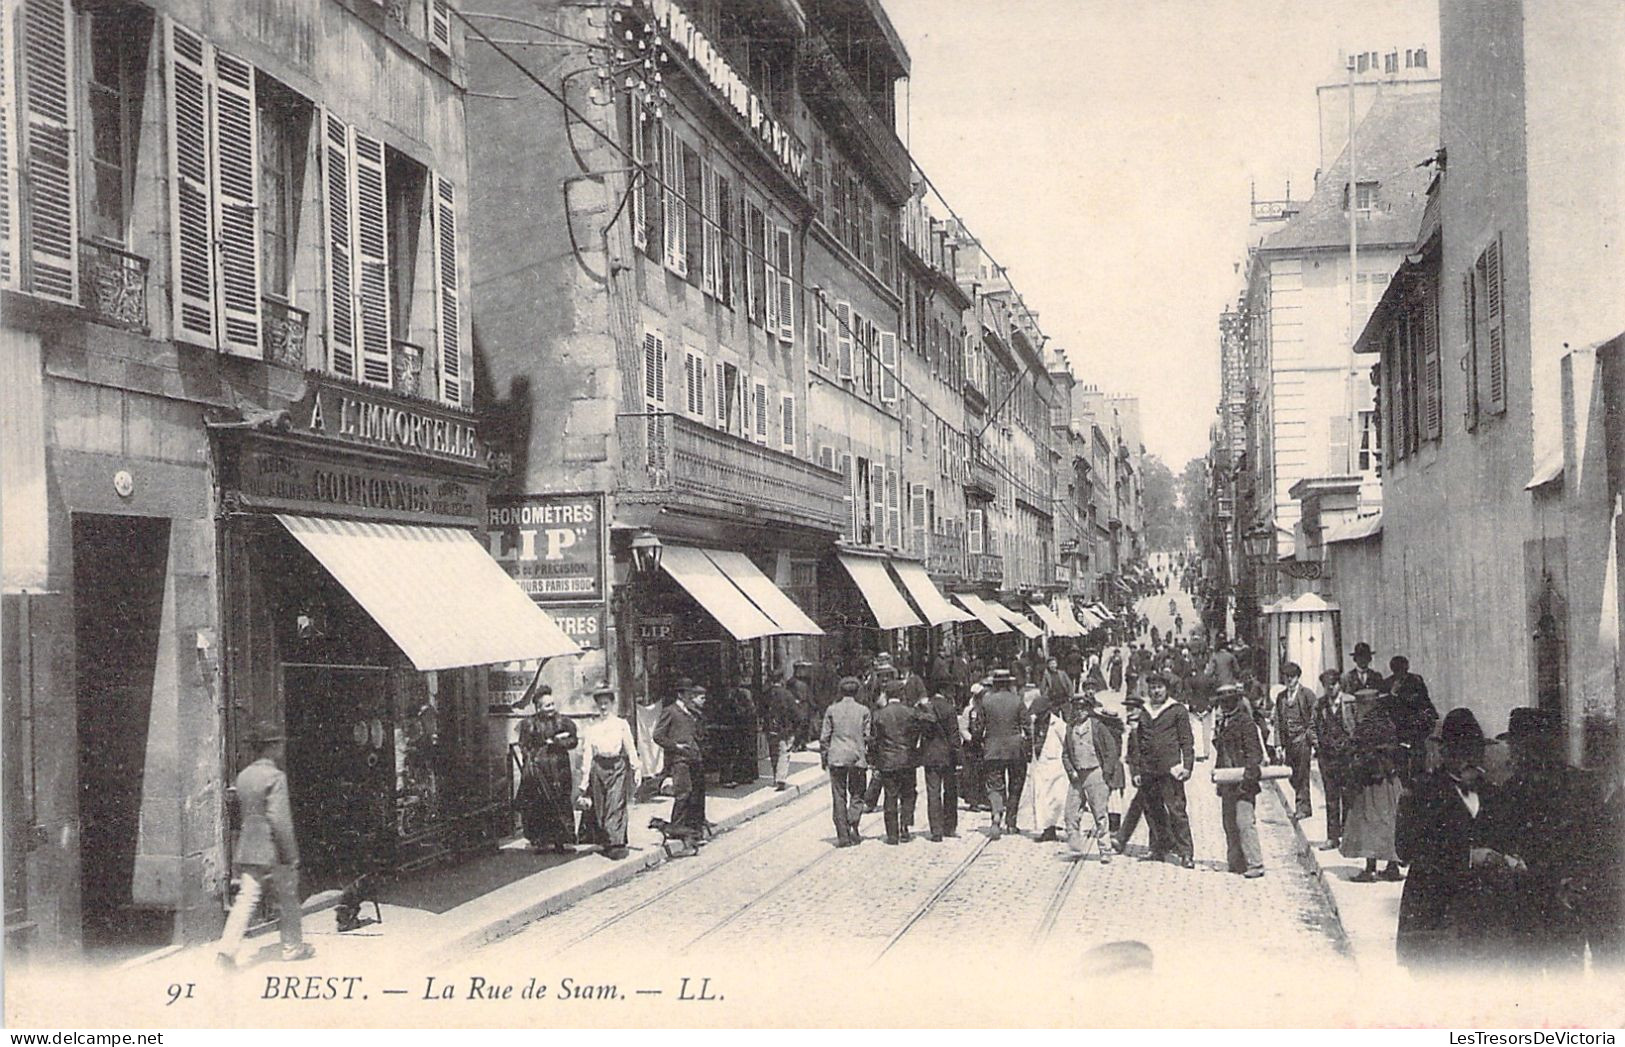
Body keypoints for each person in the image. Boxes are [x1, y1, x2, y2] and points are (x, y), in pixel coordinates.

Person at [1479, 707, 1592, 971]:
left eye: (1516, 745)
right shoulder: (1577, 783)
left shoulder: (1511, 790)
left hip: (1531, 900)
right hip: (1562, 898)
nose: (1513, 752)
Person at [1395, 708, 1500, 969]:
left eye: (1475, 751)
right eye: (1461, 751)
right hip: (1433, 914)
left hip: (1482, 920)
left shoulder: (1495, 794)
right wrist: (1466, 857)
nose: (1470, 758)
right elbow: (1406, 850)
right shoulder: (1421, 793)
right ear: (1445, 753)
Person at [217, 721, 314, 967]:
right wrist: (291, 854)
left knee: (246, 898)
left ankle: (226, 951)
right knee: (288, 897)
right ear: (271, 748)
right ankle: (292, 947)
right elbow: (280, 820)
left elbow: (241, 814)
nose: (281, 748)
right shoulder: (275, 777)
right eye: (278, 744)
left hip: (249, 845)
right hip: (273, 846)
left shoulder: (244, 776)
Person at [1114, 674, 1195, 866]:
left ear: (1166, 689)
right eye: (1152, 688)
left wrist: (1188, 766)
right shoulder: (1144, 712)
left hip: (1171, 769)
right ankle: (1157, 849)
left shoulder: (1177, 710)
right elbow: (1138, 744)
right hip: (1149, 770)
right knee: (1153, 810)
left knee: (1176, 811)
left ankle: (1186, 853)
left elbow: (1186, 740)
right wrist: (1137, 771)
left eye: (1159, 688)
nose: (1156, 692)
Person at [1340, 689, 1405, 882]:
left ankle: (1370, 869)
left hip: (1372, 782)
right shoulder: (1387, 721)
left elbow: (1360, 751)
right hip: (1390, 781)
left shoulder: (1367, 725)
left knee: (1369, 821)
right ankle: (1392, 867)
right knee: (1390, 820)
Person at [576, 686, 643, 860]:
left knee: (616, 804)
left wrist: (636, 769)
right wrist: (584, 781)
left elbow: (630, 747)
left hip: (617, 767)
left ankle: (617, 844)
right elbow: (588, 754)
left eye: (606, 703)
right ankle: (607, 841)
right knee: (600, 807)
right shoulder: (592, 727)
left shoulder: (621, 724)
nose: (603, 707)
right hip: (598, 768)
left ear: (612, 704)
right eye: (600, 704)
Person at [1061, 690, 1123, 862]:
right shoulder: (1070, 728)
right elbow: (1065, 753)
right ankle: (1075, 844)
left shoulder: (1097, 727)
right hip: (1077, 775)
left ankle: (1105, 850)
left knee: (1100, 814)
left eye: (1083, 708)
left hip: (1095, 772)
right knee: (1070, 813)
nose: (1079, 711)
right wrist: (1070, 770)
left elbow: (1111, 751)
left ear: (1089, 709)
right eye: (1076, 708)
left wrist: (1107, 772)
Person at [515, 688, 579, 853]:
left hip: (559, 768)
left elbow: (573, 741)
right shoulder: (529, 723)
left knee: (561, 802)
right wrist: (532, 757)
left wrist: (559, 742)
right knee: (540, 805)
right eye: (546, 705)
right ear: (538, 707)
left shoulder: (563, 722)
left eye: (552, 704)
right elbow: (523, 745)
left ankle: (561, 842)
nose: (551, 708)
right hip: (540, 770)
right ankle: (541, 841)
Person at [1214, 682, 1266, 878]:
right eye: (1222, 703)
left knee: (1244, 822)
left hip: (1244, 781)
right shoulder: (1222, 723)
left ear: (1236, 702)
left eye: (1228, 702)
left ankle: (1256, 863)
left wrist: (1248, 778)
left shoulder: (1245, 722)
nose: (1225, 706)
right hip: (1227, 780)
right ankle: (1236, 862)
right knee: (1229, 823)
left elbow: (1255, 754)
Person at [870, 681, 930, 845]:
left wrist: (875, 760)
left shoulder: (879, 715)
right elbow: (927, 723)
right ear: (902, 694)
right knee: (909, 794)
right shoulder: (911, 712)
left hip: (887, 761)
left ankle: (892, 834)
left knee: (890, 796)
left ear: (887, 695)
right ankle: (905, 825)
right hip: (907, 760)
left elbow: (874, 741)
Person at [973, 668, 1029, 840]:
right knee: (1016, 784)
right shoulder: (1018, 701)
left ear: (995, 684)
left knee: (994, 784)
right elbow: (1027, 726)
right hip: (1015, 749)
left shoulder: (986, 702)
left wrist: (978, 743)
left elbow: (978, 728)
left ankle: (996, 813)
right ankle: (1011, 823)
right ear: (1009, 684)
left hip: (993, 749)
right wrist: (1029, 747)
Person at [654, 682, 707, 848]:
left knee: (695, 796)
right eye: (688, 694)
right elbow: (658, 736)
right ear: (680, 695)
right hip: (679, 760)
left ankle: (693, 832)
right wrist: (676, 746)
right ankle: (676, 829)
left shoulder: (691, 712)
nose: (691, 696)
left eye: (692, 694)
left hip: (694, 758)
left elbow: (698, 734)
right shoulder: (670, 711)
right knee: (683, 794)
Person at [819, 677, 871, 848]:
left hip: (837, 757)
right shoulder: (864, 711)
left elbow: (824, 737)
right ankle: (853, 820)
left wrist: (824, 757)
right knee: (857, 793)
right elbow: (867, 736)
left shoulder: (831, 710)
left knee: (839, 795)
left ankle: (843, 835)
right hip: (856, 758)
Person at [1312, 669, 1354, 851]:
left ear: (1339, 684)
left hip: (1346, 757)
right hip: (1327, 758)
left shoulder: (1350, 703)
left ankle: (1347, 835)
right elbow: (1312, 727)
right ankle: (1332, 837)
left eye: (1333, 685)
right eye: (1326, 686)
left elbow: (1356, 727)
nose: (1330, 688)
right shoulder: (1319, 705)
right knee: (1331, 797)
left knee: (1348, 797)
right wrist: (1317, 746)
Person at [1027, 683, 1073, 843]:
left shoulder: (1058, 724)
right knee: (1041, 799)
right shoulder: (1034, 724)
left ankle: (1055, 827)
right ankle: (1047, 829)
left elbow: (1068, 743)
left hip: (1056, 768)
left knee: (1056, 800)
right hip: (1040, 766)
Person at [1274, 662, 1317, 821]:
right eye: (1286, 677)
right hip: (1289, 742)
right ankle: (1303, 804)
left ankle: (1303, 808)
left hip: (1303, 740)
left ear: (1298, 677)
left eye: (1291, 677)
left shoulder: (1307, 695)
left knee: (1302, 774)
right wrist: (1278, 744)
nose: (1289, 680)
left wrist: (1312, 742)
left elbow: (1314, 719)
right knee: (1293, 775)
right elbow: (1278, 721)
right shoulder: (1281, 697)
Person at [916, 690, 962, 842]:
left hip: (930, 756)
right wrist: (959, 757)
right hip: (948, 756)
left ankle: (936, 830)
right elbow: (954, 736)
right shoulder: (949, 708)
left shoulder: (925, 708)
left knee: (933, 792)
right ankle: (949, 826)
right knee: (950, 791)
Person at [1384, 655, 1438, 781]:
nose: (1401, 672)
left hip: (1416, 724)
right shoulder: (1387, 683)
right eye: (1397, 669)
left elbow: (1425, 700)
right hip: (1398, 727)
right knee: (1400, 758)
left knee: (1419, 755)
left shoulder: (1416, 680)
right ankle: (1404, 784)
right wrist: (1392, 693)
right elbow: (1385, 706)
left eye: (1403, 668)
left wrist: (1431, 716)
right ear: (1392, 669)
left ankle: (1417, 782)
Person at [763, 670, 800, 790]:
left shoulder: (766, 694)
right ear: (781, 679)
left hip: (770, 727)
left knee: (773, 752)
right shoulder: (787, 694)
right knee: (783, 753)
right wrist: (795, 727)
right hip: (784, 728)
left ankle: (775, 776)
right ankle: (781, 779)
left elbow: (761, 710)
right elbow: (796, 714)